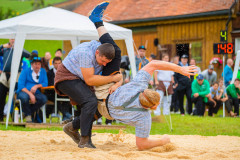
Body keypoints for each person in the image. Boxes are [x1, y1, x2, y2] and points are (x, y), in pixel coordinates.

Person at [64, 59, 197, 150]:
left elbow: (154, 63)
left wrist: (180, 69)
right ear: (149, 107)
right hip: (107, 110)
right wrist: (163, 141)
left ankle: (73, 123)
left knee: (112, 66)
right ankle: (73, 125)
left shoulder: (139, 84)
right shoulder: (143, 117)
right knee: (98, 110)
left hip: (101, 93)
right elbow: (141, 145)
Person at [55, 1, 122, 148]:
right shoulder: (85, 53)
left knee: (116, 51)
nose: (104, 64)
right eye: (102, 61)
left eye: (106, 63)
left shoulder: (102, 52)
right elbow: (90, 80)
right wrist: (112, 78)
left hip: (81, 77)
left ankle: (72, 127)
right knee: (90, 102)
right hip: (66, 77)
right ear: (97, 52)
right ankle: (85, 141)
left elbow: (116, 72)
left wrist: (118, 81)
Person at [0, 39, 30, 122]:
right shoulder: (5, 49)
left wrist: (18, 47)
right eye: (11, 39)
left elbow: (28, 54)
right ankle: (0, 117)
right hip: (5, 75)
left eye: (14, 39)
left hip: (16, 75)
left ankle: (14, 117)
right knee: (1, 96)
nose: (12, 40)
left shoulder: (19, 50)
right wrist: (2, 46)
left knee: (14, 97)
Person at [17, 56, 48, 122]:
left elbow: (45, 83)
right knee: (25, 98)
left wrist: (36, 86)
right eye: (35, 64)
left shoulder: (43, 71)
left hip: (36, 92)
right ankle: (28, 115)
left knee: (44, 99)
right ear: (31, 64)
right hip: (24, 91)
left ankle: (27, 113)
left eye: (39, 64)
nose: (37, 66)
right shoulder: (25, 71)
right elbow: (20, 85)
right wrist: (30, 94)